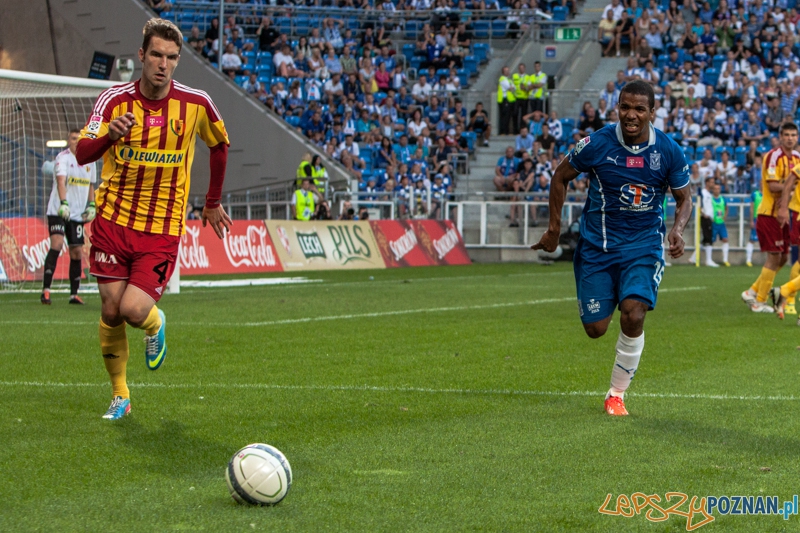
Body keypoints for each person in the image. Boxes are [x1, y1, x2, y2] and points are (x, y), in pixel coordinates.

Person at [75, 19, 232, 420]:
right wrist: (110, 135)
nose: (164, 64)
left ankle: (155, 322)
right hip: (112, 222)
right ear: (142, 56)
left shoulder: (195, 103)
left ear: (178, 61)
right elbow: (82, 153)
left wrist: (212, 201)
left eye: (172, 58)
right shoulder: (111, 100)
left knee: (132, 310)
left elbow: (220, 146)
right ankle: (120, 395)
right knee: (110, 312)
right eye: (157, 55)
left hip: (161, 229)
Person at [532, 81, 692, 416]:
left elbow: (684, 197)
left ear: (652, 112)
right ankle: (609, 298)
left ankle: (616, 394)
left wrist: (677, 230)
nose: (631, 115)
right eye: (625, 107)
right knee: (596, 329)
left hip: (643, 246)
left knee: (634, 313)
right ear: (617, 107)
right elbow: (560, 176)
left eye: (639, 109)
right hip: (597, 247)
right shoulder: (597, 143)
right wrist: (553, 229)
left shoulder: (668, 150)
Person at [741, 122, 800, 314]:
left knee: (783, 257)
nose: (790, 138)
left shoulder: (798, 158)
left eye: (793, 135)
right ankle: (759, 300)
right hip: (769, 212)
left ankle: (752, 291)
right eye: (787, 135)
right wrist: (791, 186)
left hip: (786, 214)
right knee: (774, 257)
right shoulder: (773, 156)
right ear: (780, 137)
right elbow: (773, 185)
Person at [41, 129, 97, 306]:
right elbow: (60, 181)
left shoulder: (91, 160)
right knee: (56, 244)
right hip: (58, 210)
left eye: (79, 139)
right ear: (68, 140)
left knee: (77, 251)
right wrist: (63, 203)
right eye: (73, 138)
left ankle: (74, 294)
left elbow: (90, 185)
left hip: (77, 213)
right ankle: (46, 291)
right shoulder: (63, 158)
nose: (76, 141)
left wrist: (92, 205)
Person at [497, 66, 516, 135]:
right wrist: (512, 87)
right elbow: (510, 88)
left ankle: (507, 131)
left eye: (508, 70)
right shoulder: (502, 79)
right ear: (503, 72)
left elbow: (514, 87)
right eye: (506, 71)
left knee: (508, 116)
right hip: (504, 100)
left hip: (509, 100)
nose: (507, 72)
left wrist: (512, 87)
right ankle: (503, 131)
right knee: (504, 117)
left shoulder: (509, 80)